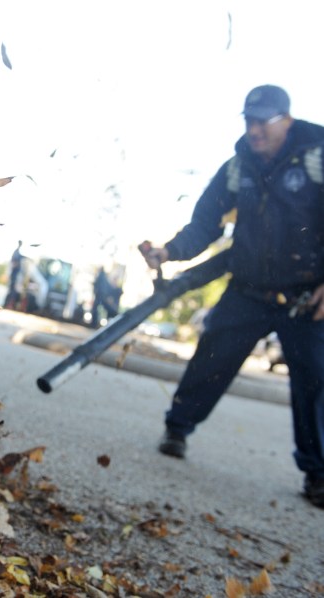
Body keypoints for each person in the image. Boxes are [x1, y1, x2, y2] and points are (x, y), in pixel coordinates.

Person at [141, 84, 324, 509]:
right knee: (212, 357)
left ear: (287, 121)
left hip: (305, 295)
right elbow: (205, 223)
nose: (254, 130)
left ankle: (318, 475)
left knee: (316, 378)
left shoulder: (318, 155)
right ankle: (178, 428)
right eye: (249, 120)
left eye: (263, 121)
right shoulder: (238, 166)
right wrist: (169, 251)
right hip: (249, 286)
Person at [4, 241, 24, 309]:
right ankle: (9, 305)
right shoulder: (16, 252)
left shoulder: (17, 252)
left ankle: (8, 304)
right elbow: (14, 262)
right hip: (14, 275)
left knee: (12, 290)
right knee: (12, 291)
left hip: (15, 275)